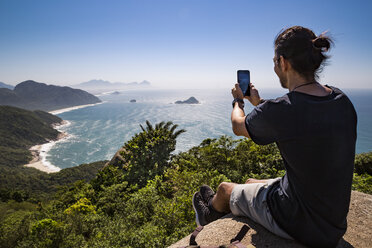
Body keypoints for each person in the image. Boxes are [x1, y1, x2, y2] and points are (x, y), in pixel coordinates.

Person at [192, 26, 357, 248]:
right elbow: (299, 119)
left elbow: (238, 125)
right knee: (250, 182)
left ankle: (208, 215)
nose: (274, 66)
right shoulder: (341, 100)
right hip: (332, 221)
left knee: (224, 189)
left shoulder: (282, 110)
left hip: (300, 222)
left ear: (283, 62)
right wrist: (259, 104)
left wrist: (238, 101)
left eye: (274, 61)